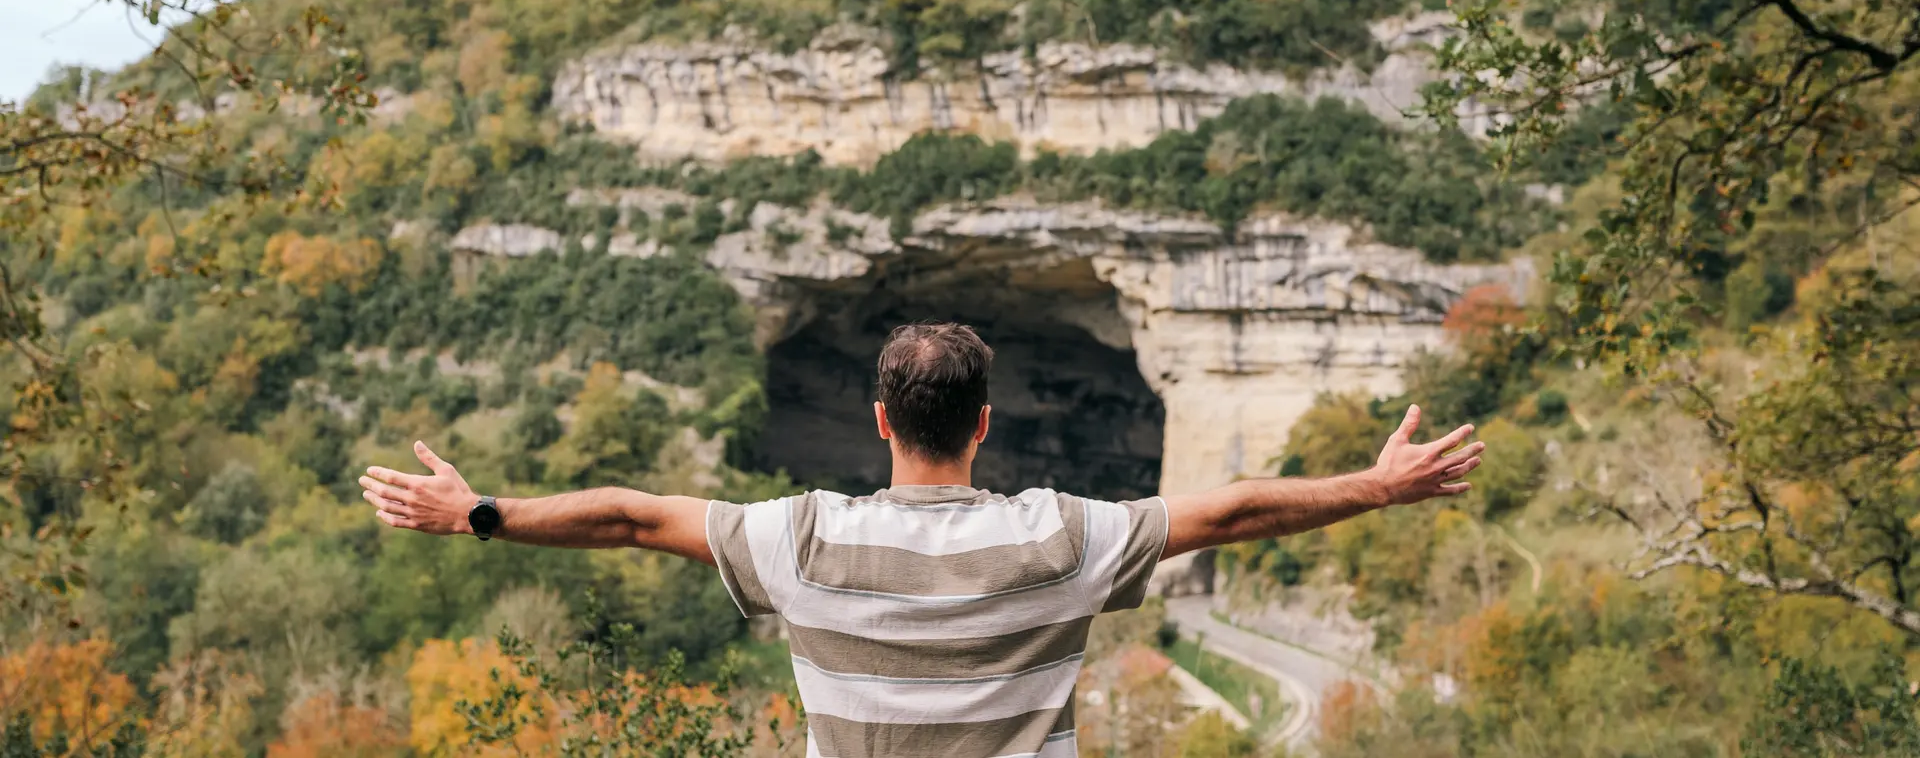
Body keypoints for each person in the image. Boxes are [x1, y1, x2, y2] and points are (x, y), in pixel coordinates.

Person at [360, 322, 1482, 758]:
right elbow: (1232, 509)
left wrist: (480, 514)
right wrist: (1377, 489)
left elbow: (632, 514)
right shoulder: (1063, 537)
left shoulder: (798, 540)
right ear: (985, 424)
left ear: (882, 420)